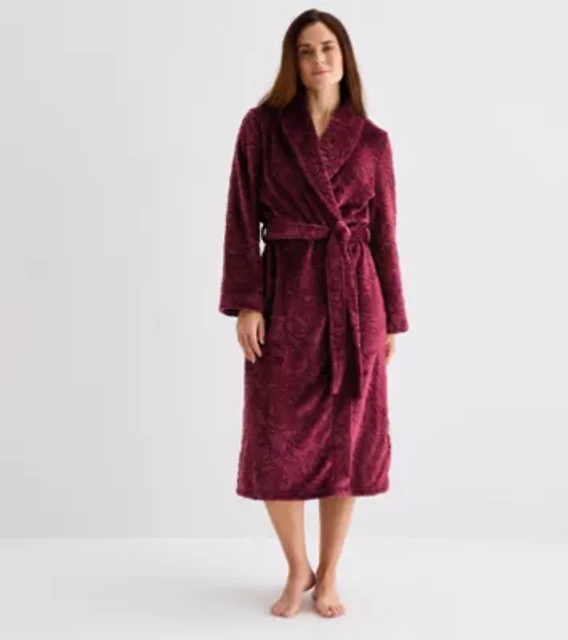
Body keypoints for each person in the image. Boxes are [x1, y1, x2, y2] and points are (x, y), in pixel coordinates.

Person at [218, 8, 409, 618]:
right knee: (276, 437)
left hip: (356, 305)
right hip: (285, 296)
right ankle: (296, 564)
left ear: (344, 57)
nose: (319, 59)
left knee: (344, 443)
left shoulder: (373, 141)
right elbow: (241, 219)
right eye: (306, 51)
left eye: (328, 48)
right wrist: (247, 303)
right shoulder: (262, 128)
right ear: (292, 62)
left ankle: (328, 573)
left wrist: (392, 319)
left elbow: (384, 237)